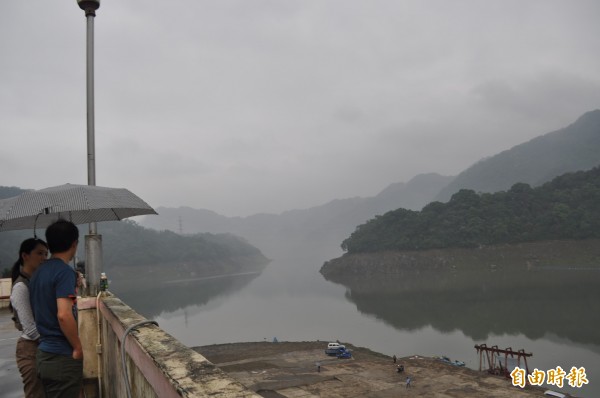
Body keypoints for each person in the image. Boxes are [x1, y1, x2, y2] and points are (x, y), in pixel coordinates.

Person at [30, 220, 83, 398]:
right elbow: (63, 315)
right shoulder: (64, 272)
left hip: (44, 354)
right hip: (61, 357)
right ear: (74, 244)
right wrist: (77, 347)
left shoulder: (38, 272)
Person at [9, 238, 49, 398]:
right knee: (37, 393)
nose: (44, 258)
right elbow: (31, 330)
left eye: (46, 254)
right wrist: (55, 341)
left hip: (44, 346)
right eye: (39, 253)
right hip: (31, 349)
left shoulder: (35, 282)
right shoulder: (21, 287)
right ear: (25, 256)